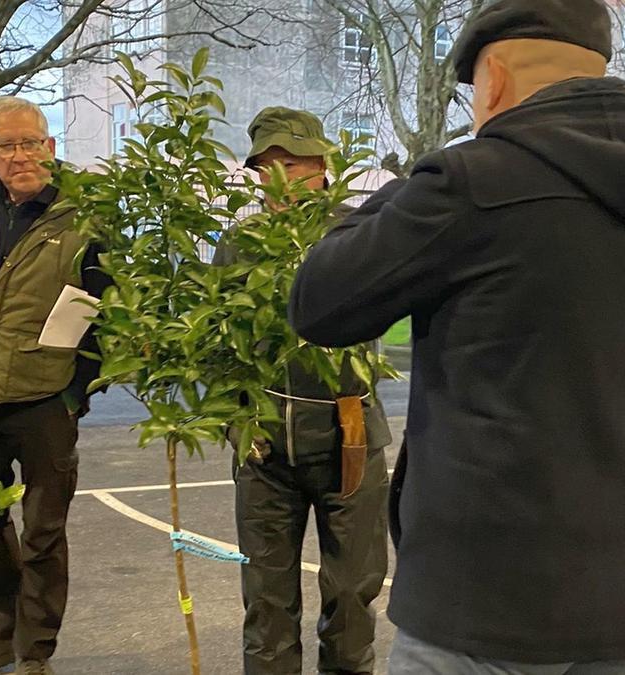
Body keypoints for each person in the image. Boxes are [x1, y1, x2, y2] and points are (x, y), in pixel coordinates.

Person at [288, 0, 625, 672]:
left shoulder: (470, 183)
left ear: (495, 79)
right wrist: (622, 482)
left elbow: (319, 302)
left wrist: (419, 179)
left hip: (478, 600)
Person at [0, 96, 109, 675]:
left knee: (43, 533)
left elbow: (105, 312)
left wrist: (76, 394)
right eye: (6, 145)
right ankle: (2, 630)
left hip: (44, 399)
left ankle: (35, 651)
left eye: (30, 142)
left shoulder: (85, 215)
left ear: (50, 147)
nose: (20, 155)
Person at [215, 106, 393, 675]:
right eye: (267, 166)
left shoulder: (357, 235)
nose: (280, 178)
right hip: (264, 446)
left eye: (292, 164)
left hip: (350, 435)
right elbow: (218, 346)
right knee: (265, 601)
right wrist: (232, 421)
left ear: (322, 166)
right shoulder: (238, 244)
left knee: (351, 593)